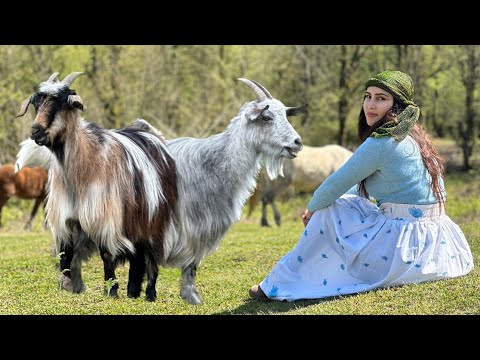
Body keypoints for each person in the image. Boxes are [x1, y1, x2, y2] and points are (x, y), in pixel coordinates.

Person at [249, 70, 474, 302]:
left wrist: (313, 209)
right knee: (345, 202)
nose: (370, 105)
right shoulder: (413, 138)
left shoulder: (382, 142)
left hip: (405, 250)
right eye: (367, 96)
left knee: (330, 209)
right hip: (442, 250)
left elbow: (336, 183)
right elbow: (356, 185)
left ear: (397, 106)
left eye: (381, 98)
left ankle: (277, 283)